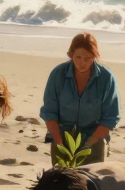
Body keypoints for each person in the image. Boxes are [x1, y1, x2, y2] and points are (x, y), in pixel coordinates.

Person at [40, 32, 120, 165]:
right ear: (71, 54)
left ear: (95, 56)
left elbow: (112, 117)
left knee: (90, 182)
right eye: (78, 57)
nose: (82, 63)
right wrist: (59, 142)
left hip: (95, 137)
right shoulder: (57, 74)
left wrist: (89, 143)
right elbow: (49, 111)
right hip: (61, 135)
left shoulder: (106, 78)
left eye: (88, 58)